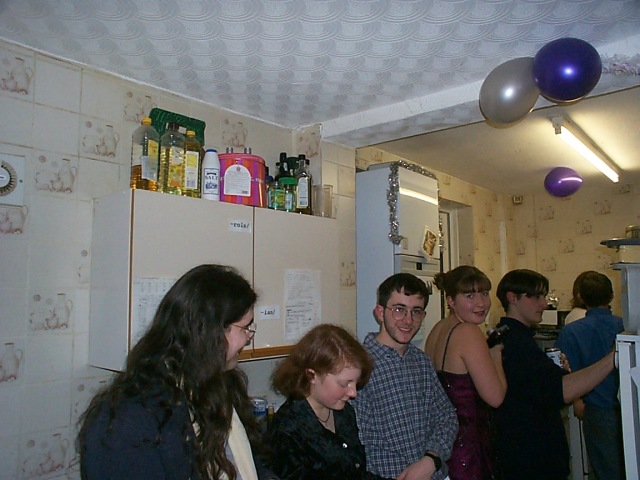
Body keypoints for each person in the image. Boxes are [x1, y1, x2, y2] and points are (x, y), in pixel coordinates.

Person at [77, 264, 277, 480]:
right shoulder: (128, 418)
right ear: (210, 332)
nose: (249, 338)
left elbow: (248, 464)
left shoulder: (217, 386)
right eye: (245, 328)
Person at [493, 269, 617, 480]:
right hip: (531, 458)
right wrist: (613, 357)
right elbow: (560, 390)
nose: (544, 304)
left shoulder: (511, 336)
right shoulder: (516, 343)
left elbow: (540, 386)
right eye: (537, 297)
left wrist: (559, 373)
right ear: (513, 297)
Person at [352, 273, 458, 480]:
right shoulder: (358, 366)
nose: (408, 320)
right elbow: (360, 440)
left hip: (434, 473)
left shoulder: (421, 361)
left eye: (416, 311)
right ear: (380, 312)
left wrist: (431, 459)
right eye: (399, 309)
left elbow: (447, 417)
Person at [266, 324, 392, 480]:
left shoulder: (344, 412)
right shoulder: (288, 431)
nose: (353, 393)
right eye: (344, 383)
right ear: (312, 376)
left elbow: (355, 475)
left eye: (355, 382)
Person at [425, 266, 506, 480]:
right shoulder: (469, 332)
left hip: (443, 444)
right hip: (468, 447)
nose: (481, 303)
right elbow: (496, 397)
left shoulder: (438, 329)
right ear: (451, 301)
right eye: (470, 296)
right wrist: (496, 355)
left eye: (484, 293)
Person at [555, 271, 625, 480]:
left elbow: (563, 372)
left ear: (580, 297)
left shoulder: (571, 332)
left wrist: (577, 400)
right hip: (629, 407)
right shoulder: (625, 327)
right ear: (611, 295)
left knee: (605, 469)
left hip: (595, 409)